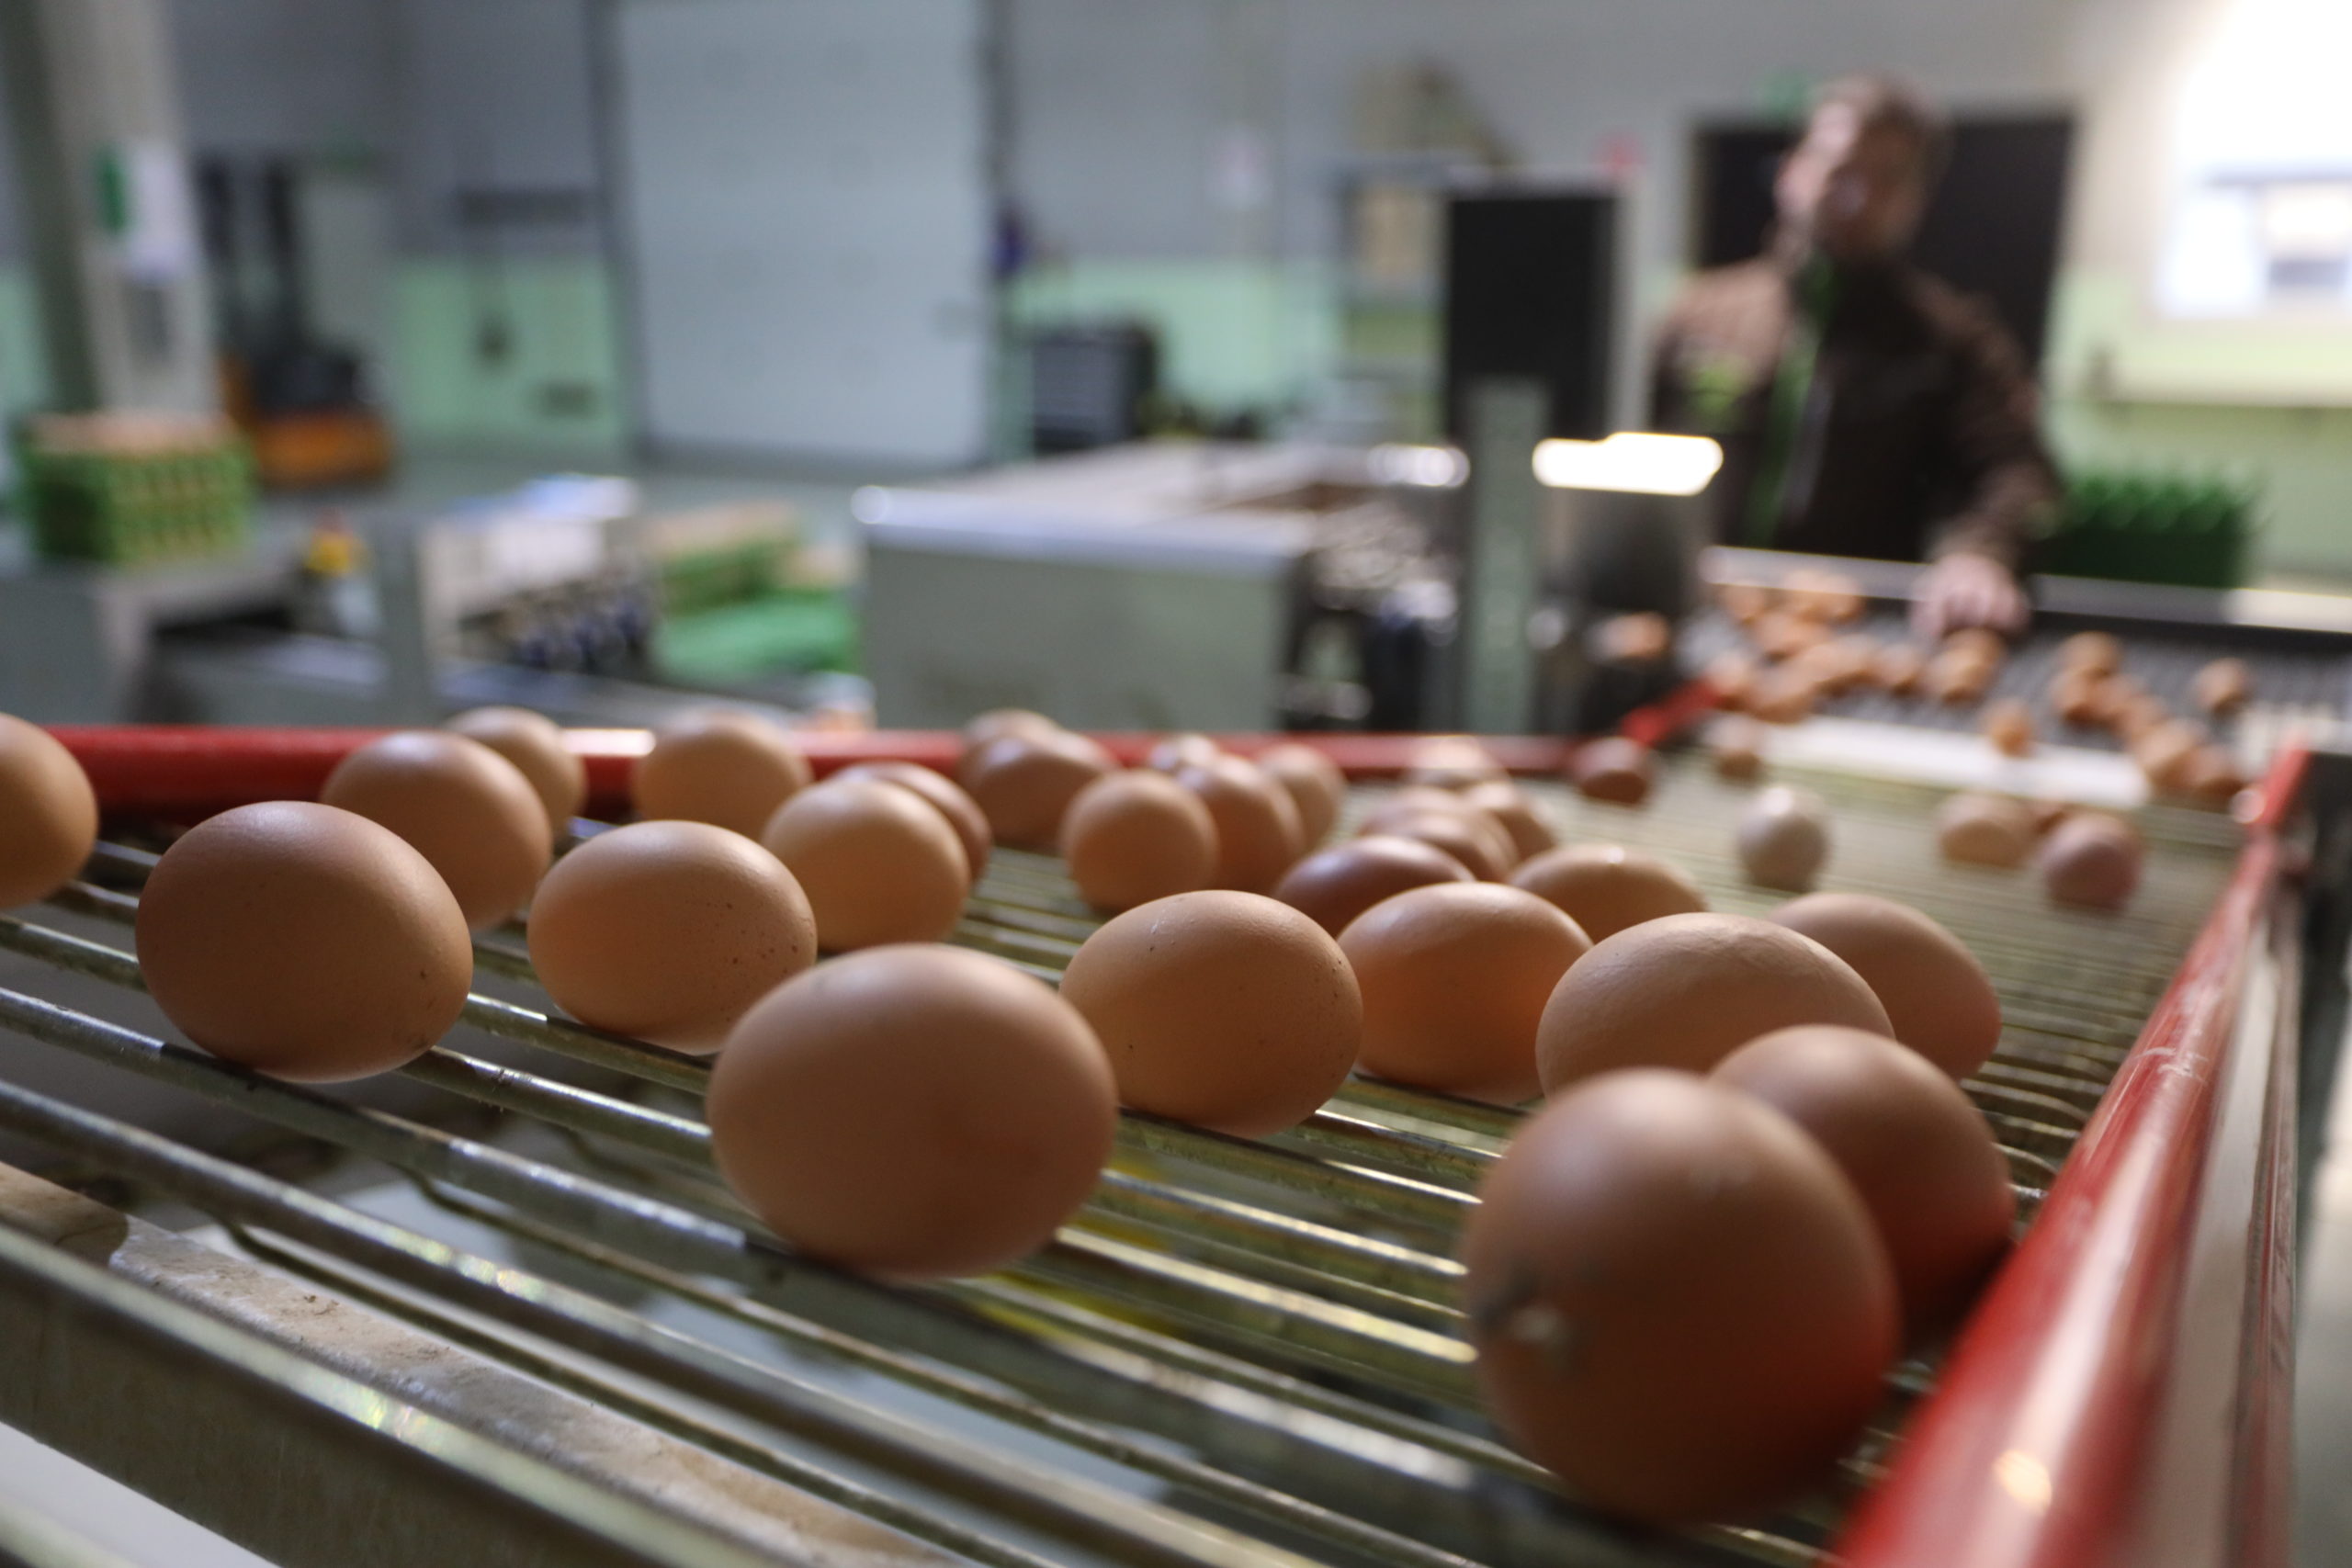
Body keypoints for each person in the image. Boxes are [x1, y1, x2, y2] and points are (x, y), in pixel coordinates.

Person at [1650, 76, 2059, 638]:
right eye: (1840, 168)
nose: (1857, 197)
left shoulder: (1949, 337)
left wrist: (1980, 553)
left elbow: (2019, 473)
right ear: (1794, 170)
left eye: (1887, 180)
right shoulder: (1697, 315)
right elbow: (1610, 441)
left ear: (1916, 201)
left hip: (1859, 629)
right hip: (1694, 612)